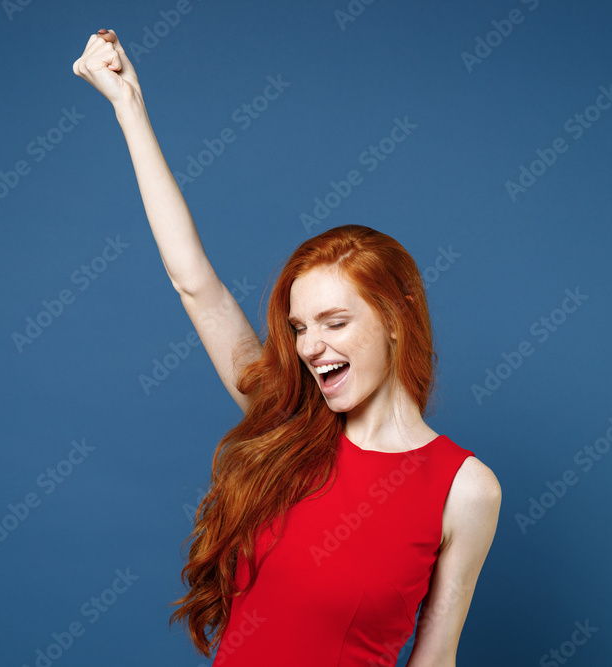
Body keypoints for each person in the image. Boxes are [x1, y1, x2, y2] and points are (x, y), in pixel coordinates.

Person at [73, 29, 501, 666]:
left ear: (394, 318)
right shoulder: (287, 419)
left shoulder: (466, 489)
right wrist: (127, 106)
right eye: (299, 328)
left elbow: (435, 657)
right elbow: (194, 283)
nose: (310, 347)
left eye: (334, 322)